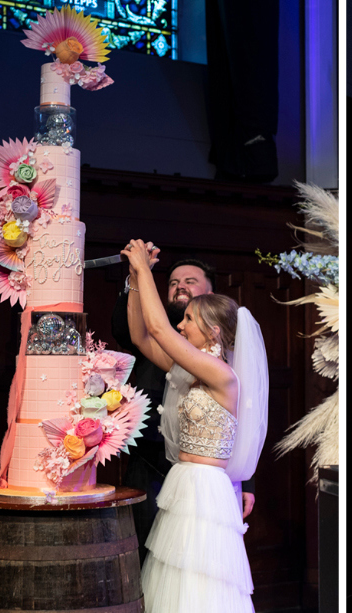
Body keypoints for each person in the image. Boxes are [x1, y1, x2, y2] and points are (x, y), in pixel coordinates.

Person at [121, 238, 268, 611]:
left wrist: (143, 266)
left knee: (201, 585)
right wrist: (136, 280)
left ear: (214, 331)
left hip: (206, 491)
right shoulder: (189, 372)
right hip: (183, 481)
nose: (181, 325)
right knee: (175, 582)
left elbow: (158, 330)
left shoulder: (222, 375)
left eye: (189, 320)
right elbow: (141, 335)